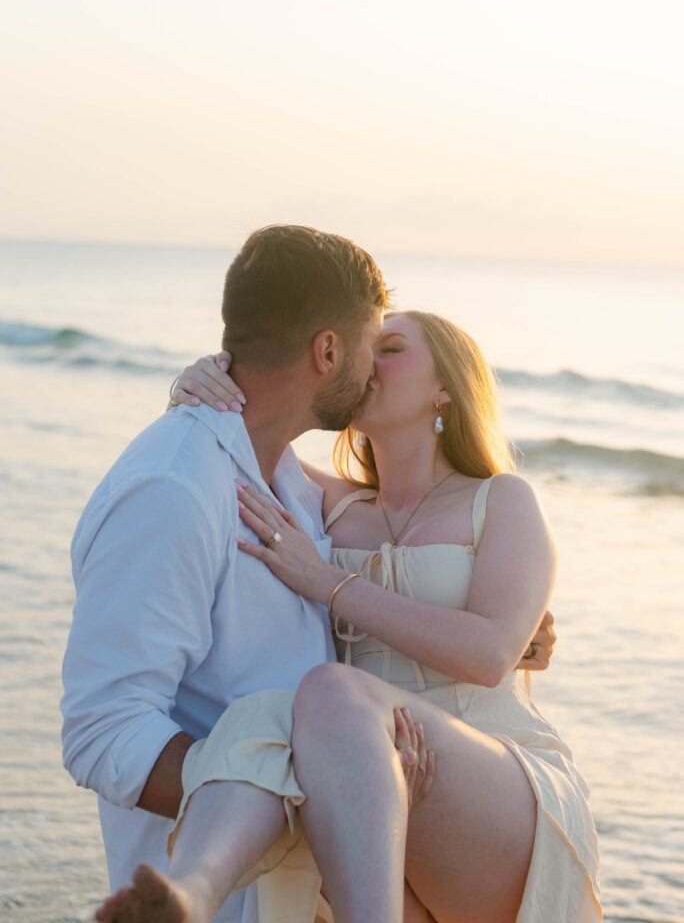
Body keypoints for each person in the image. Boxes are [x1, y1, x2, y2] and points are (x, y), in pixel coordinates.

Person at [63, 224, 554, 923]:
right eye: (373, 344)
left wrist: (513, 628)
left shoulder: (290, 491)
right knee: (281, 719)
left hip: (440, 798)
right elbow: (103, 728)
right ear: (328, 352)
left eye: (393, 349)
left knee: (305, 709)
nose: (373, 367)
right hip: (313, 848)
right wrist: (330, 779)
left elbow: (478, 638)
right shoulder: (198, 490)